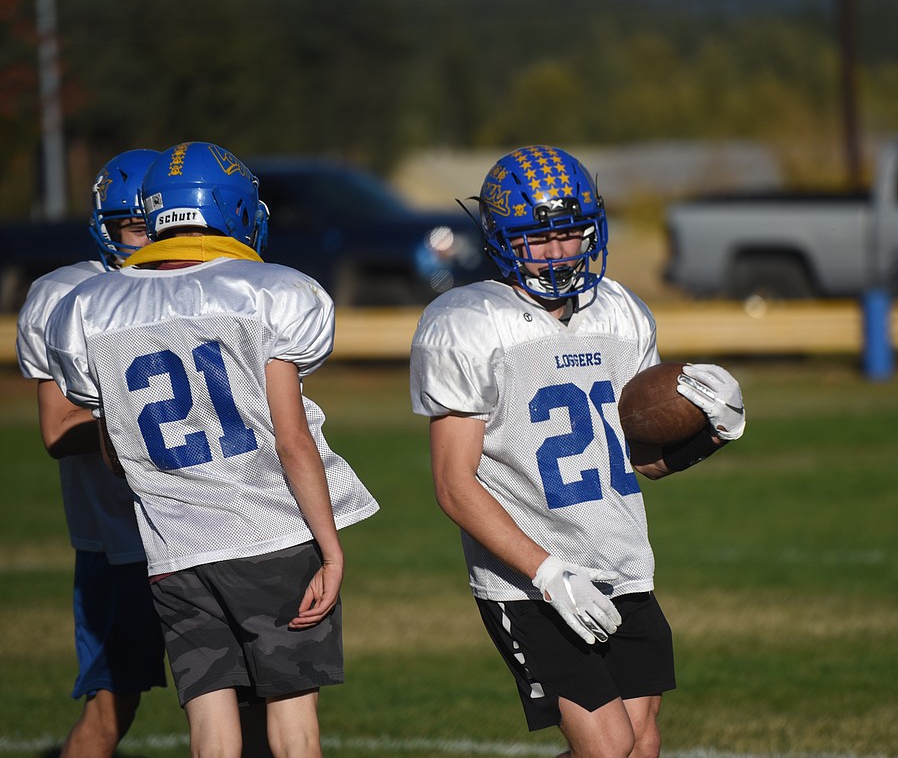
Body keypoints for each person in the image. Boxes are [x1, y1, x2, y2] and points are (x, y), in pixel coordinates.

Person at [44, 141, 379, 758]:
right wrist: (330, 550)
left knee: (211, 730)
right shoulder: (270, 291)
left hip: (172, 547)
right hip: (269, 533)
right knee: (293, 721)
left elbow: (116, 452)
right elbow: (291, 438)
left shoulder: (89, 307)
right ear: (233, 211)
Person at [409, 145, 746, 757]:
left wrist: (710, 434)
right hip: (529, 580)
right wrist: (547, 573)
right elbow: (454, 484)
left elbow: (638, 460)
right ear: (502, 237)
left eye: (571, 234)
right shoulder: (469, 323)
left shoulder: (619, 313)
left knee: (641, 745)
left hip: (620, 562)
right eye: (540, 238)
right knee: (608, 745)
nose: (560, 252)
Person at [16, 149, 169, 758]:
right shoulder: (65, 295)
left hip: (216, 528)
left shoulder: (209, 287)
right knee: (113, 707)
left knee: (250, 697)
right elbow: (57, 430)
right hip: (122, 538)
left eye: (161, 224)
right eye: (136, 226)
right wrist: (144, 421)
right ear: (105, 227)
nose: (152, 239)